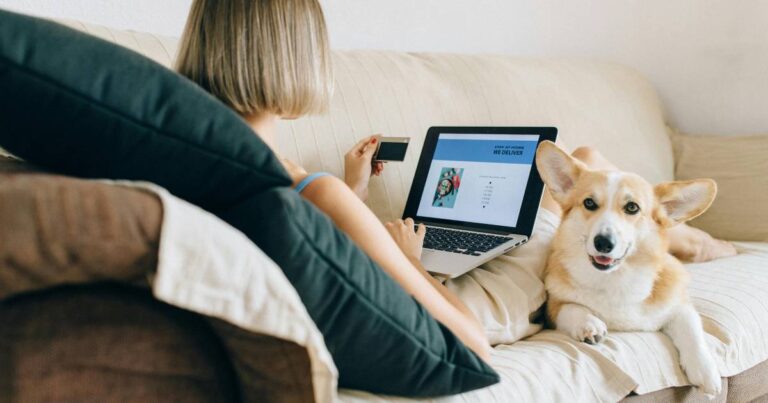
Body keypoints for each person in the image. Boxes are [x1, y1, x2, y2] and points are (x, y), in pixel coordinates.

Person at [175, 0, 490, 361]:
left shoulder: (187, 165)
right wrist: (411, 261)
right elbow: (473, 343)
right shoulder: (315, 192)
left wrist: (352, 194)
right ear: (298, 57)